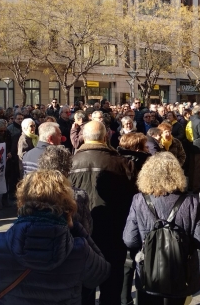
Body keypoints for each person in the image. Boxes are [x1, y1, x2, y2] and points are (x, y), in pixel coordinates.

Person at [0, 169, 110, 304]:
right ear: (66, 203)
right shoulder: (79, 250)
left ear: (22, 199)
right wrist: (77, 227)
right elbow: (101, 273)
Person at [123, 153, 200, 305]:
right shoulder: (191, 202)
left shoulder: (139, 200)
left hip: (149, 274)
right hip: (181, 275)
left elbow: (129, 239)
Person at [69, 121, 136, 305]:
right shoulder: (122, 162)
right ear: (105, 137)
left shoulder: (71, 163)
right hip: (114, 231)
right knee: (112, 285)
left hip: (81, 232)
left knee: (85, 286)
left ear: (83, 138)